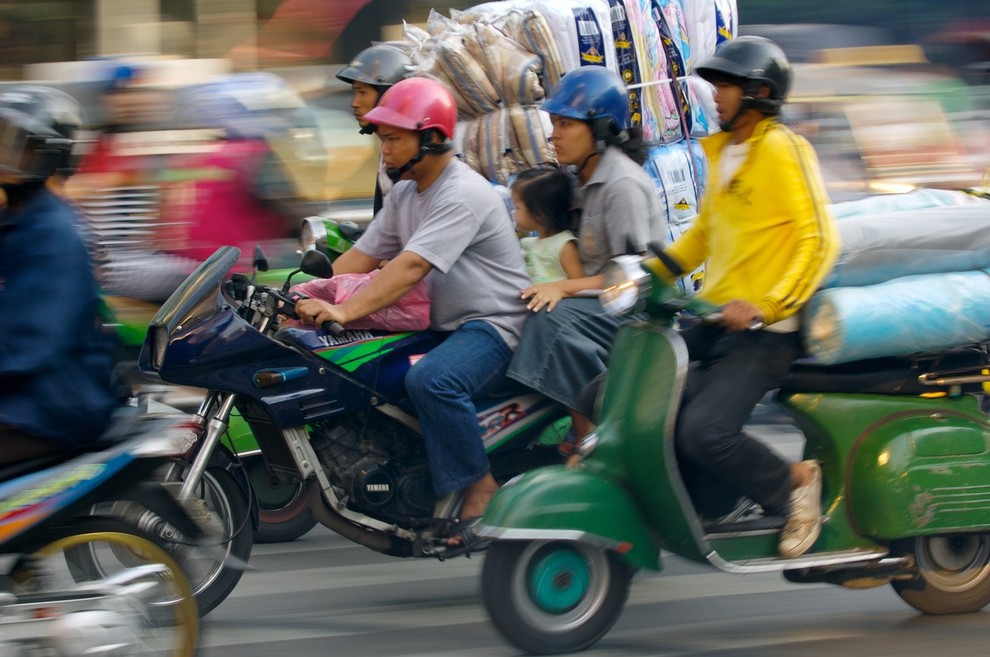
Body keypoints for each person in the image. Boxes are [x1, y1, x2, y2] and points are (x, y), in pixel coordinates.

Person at [293, 77, 531, 549]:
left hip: (493, 325)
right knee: (369, 373)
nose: (385, 150)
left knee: (432, 382)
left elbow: (409, 267)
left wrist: (343, 310)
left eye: (395, 139)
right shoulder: (404, 195)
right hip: (443, 327)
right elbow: (360, 259)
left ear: (433, 138)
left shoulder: (461, 192)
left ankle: (481, 489)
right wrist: (301, 299)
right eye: (383, 139)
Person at [648, 36, 840, 558]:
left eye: (727, 86)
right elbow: (704, 234)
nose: (716, 96)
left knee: (705, 432)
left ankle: (793, 484)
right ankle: (710, 498)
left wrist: (769, 305)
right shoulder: (727, 153)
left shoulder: (783, 148)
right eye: (715, 86)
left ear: (760, 92)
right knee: (627, 393)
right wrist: (648, 275)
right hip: (715, 322)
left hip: (762, 335)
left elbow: (819, 238)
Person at [506, 66, 666, 455]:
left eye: (565, 124)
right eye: (553, 123)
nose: (553, 134)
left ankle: (592, 434)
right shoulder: (580, 179)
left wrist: (561, 286)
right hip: (599, 301)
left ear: (601, 129)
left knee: (550, 318)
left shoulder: (621, 185)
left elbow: (632, 280)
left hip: (636, 313)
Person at [0, 86, 118, 468]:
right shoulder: (18, 216)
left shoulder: (51, 232)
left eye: (16, 144)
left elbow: (29, 342)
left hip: (48, 406)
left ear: (48, 153)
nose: (4, 154)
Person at [336, 43, 412, 214]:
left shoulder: (410, 156)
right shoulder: (386, 151)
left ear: (388, 94)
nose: (354, 103)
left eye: (362, 93)